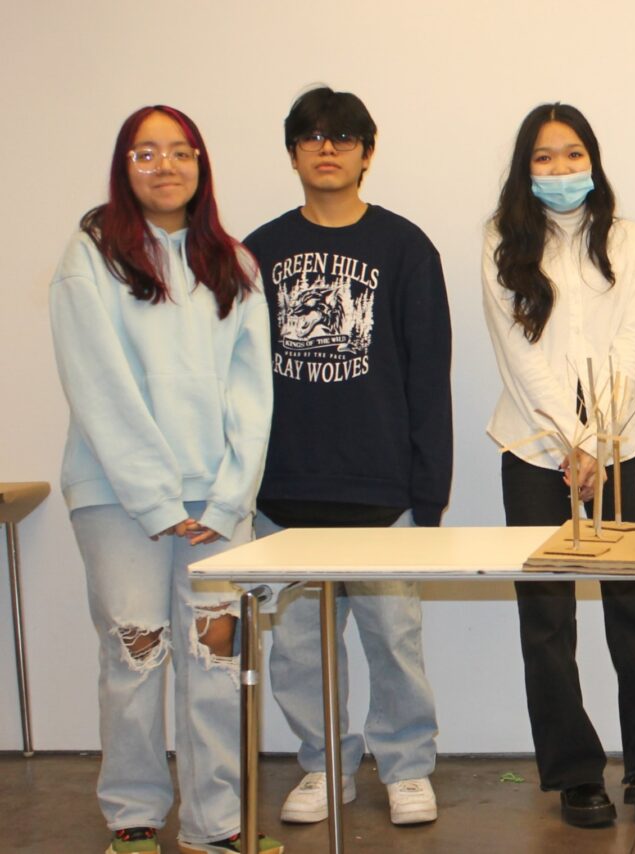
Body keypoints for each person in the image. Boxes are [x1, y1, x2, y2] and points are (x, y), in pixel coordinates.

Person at [49, 106, 280, 854]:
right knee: (136, 654)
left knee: (218, 659)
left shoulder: (235, 264)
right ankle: (133, 812)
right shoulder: (92, 257)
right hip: (118, 500)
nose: (165, 166)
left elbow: (253, 395)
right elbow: (99, 386)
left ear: (201, 164)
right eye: (145, 154)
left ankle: (217, 822)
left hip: (216, 502)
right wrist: (155, 497)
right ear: (124, 168)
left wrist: (228, 497)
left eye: (180, 152)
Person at [244, 87, 453, 827]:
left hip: (382, 491)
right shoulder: (256, 253)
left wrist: (428, 494)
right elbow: (234, 377)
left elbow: (429, 375)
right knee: (299, 650)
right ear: (292, 152)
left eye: (342, 137)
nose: (326, 148)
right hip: (283, 492)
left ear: (367, 152)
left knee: (395, 640)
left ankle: (407, 767)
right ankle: (323, 763)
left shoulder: (405, 248)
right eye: (311, 136)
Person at [482, 102, 635, 828]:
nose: (560, 169)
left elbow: (634, 342)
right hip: (535, 449)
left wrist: (598, 439)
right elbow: (519, 355)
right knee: (547, 619)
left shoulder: (631, 240)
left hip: (622, 446)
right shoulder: (501, 243)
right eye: (543, 157)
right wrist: (570, 438)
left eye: (572, 155)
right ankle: (575, 774)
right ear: (524, 169)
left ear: (592, 161)